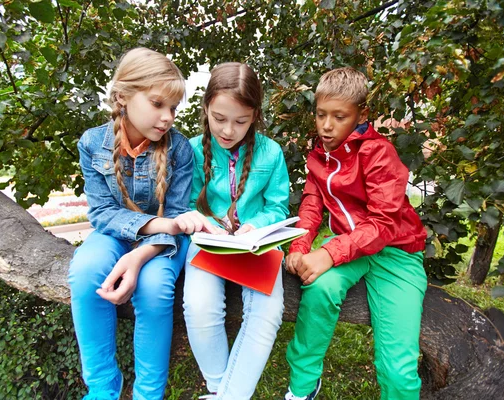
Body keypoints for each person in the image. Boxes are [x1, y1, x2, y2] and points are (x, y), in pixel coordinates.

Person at [68, 47, 219, 400]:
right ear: (122, 96)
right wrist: (158, 227)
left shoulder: (180, 149)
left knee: (153, 289)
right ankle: (102, 389)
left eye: (173, 109)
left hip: (164, 242)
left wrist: (137, 258)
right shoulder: (92, 143)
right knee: (86, 271)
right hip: (117, 232)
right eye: (157, 104)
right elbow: (103, 212)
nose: (167, 117)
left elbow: (178, 214)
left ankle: (148, 393)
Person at [283, 67, 428, 400]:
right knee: (319, 288)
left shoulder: (378, 154)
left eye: (339, 116)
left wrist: (328, 253)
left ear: (362, 114)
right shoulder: (319, 157)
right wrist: (300, 247)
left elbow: (382, 225)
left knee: (398, 368)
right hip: (351, 250)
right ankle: (303, 386)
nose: (327, 126)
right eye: (320, 115)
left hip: (396, 256)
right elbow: (311, 205)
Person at [183, 62, 290, 400]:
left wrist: (254, 226)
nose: (228, 130)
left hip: (256, 246)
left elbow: (278, 207)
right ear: (206, 108)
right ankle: (221, 390)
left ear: (255, 115)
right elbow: (183, 203)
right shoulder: (189, 149)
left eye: (241, 121)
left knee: (267, 312)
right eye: (219, 119)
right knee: (199, 307)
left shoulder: (271, 152)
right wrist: (210, 225)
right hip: (206, 241)